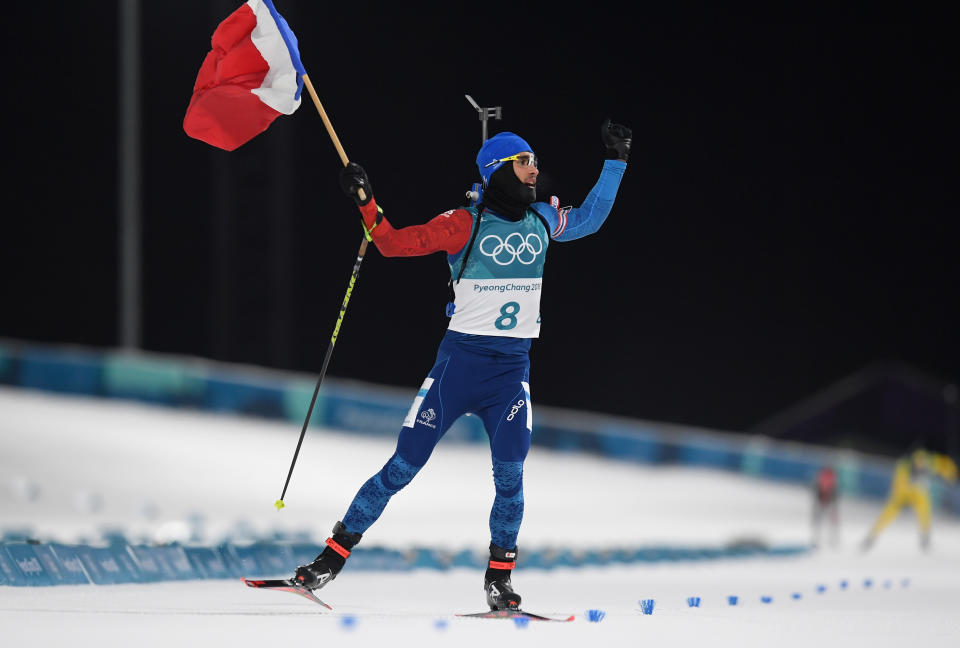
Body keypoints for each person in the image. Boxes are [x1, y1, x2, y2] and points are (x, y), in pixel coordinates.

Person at [290, 119, 631, 610]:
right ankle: (329, 560)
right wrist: (365, 201)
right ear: (499, 171)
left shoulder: (541, 219)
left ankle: (499, 579)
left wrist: (616, 161)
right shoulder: (463, 224)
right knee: (401, 469)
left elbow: (592, 218)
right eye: (524, 161)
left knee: (510, 478)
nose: (535, 170)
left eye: (534, 160)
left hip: (510, 376)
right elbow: (392, 242)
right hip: (459, 369)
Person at [860, 447, 958, 551]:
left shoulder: (932, 462)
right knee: (887, 514)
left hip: (918, 494)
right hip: (903, 493)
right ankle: (873, 535)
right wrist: (900, 496)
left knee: (925, 511)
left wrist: (950, 477)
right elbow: (898, 483)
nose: (920, 469)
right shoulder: (904, 466)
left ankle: (925, 537)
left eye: (922, 468)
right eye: (918, 467)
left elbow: (947, 465)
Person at [810, 465, 839, 548]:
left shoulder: (826, 477)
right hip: (825, 501)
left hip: (825, 501)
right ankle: (827, 540)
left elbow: (819, 489)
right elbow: (821, 489)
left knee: (824, 521)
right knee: (824, 521)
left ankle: (828, 539)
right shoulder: (829, 478)